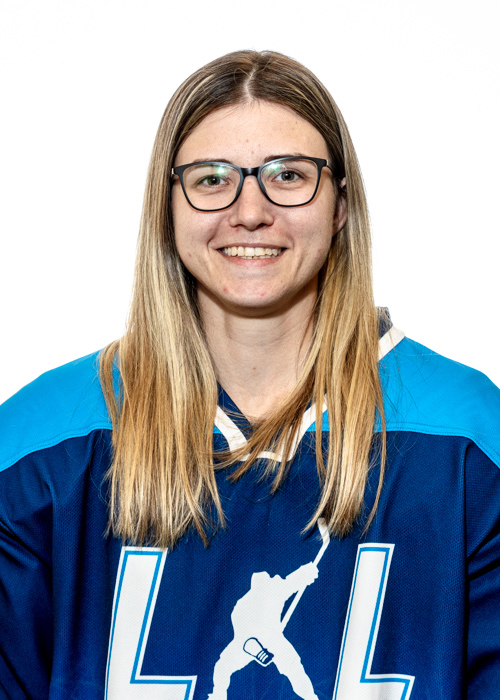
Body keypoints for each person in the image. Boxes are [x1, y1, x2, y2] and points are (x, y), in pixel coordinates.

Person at [1, 49, 500, 700]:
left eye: (288, 175)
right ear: (167, 207)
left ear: (340, 205)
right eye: (212, 179)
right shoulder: (37, 446)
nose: (250, 211)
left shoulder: (467, 438)